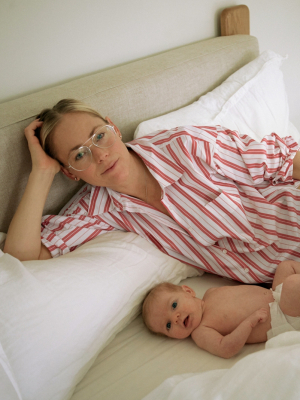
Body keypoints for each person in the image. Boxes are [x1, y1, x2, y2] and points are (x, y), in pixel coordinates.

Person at [4, 99, 300, 283]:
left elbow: (284, 160)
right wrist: (41, 174)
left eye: (99, 136)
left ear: (114, 128)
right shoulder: (96, 210)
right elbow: (22, 256)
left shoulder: (186, 145)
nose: (100, 155)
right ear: (69, 173)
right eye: (79, 155)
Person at [142, 260, 300, 359]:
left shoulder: (211, 292)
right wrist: (249, 323)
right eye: (168, 325)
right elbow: (225, 348)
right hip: (281, 316)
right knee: (293, 284)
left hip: (277, 294)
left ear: (188, 292)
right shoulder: (200, 332)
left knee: (286, 266)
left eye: (174, 305)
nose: (175, 318)